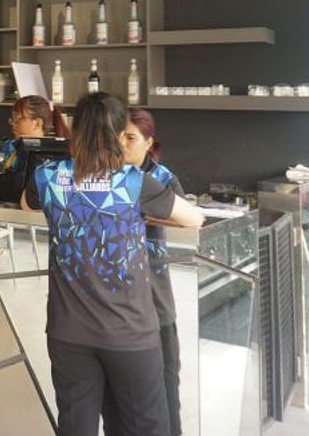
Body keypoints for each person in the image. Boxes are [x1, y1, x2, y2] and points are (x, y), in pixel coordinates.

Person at [22, 93, 203, 436]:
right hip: (129, 333)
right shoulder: (134, 182)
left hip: (68, 333)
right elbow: (193, 218)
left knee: (76, 426)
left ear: (76, 131)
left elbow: (27, 204)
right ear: (120, 136)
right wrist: (140, 213)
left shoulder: (48, 175)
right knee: (146, 426)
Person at [102, 108, 185, 436]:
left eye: (131, 138)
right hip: (112, 302)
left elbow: (185, 219)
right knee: (116, 396)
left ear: (149, 143)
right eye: (117, 136)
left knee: (164, 388)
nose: (122, 144)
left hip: (153, 299)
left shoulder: (163, 179)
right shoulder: (103, 176)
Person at [0, 95, 70, 204]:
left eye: (18, 118)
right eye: (12, 119)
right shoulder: (10, 147)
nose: (13, 123)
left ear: (37, 123)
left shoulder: (58, 154)